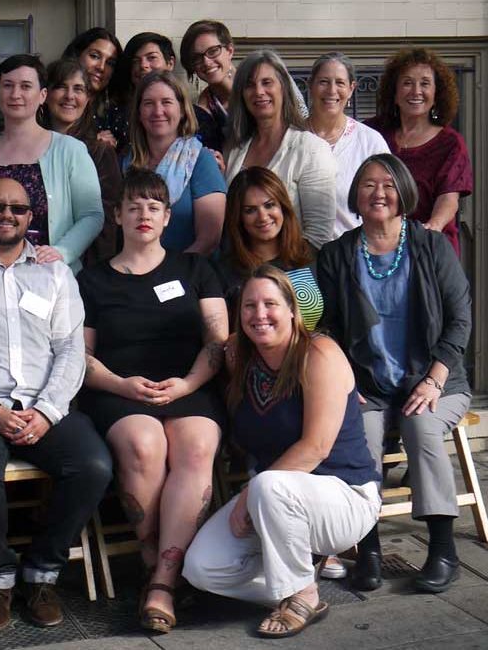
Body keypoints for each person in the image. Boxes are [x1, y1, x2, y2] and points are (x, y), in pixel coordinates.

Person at [0, 176, 113, 632]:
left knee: (93, 466)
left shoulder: (55, 273)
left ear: (31, 218)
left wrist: (48, 411)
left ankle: (42, 571)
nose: (6, 215)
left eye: (17, 208)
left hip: (43, 404)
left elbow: (71, 351)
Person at [183, 266, 381, 639]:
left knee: (267, 484)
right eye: (249, 306)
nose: (259, 314)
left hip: (345, 495)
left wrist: (245, 498)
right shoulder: (240, 359)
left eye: (270, 304)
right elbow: (216, 349)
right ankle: (296, 581)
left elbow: (315, 448)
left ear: (293, 309)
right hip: (275, 501)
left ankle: (300, 592)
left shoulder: (319, 352)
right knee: (202, 568)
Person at [77, 170, 227, 632]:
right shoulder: (91, 280)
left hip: (189, 386)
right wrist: (123, 385)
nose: (144, 214)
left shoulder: (195, 269)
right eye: (134, 206)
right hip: (119, 391)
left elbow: (218, 342)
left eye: (154, 207)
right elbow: (79, 357)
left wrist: (187, 383)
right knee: (145, 443)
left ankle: (161, 578)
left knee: (197, 445)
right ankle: (154, 558)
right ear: (117, 216)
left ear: (166, 218)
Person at [317, 154, 472, 594]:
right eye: (368, 184)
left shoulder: (431, 245)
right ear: (356, 195)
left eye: (387, 184)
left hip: (437, 379)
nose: (378, 193)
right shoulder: (334, 254)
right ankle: (366, 549)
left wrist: (435, 377)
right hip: (367, 385)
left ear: (403, 191)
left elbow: (461, 317)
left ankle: (444, 551)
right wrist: (343, 379)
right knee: (357, 441)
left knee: (422, 427)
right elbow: (319, 325)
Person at [0, 54, 103, 273]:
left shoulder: (70, 150)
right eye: (7, 85)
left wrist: (63, 251)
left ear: (42, 95)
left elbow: (92, 215)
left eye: (25, 86)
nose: (15, 94)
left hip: (48, 278)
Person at [225, 49, 338, 251]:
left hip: (294, 275)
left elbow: (318, 235)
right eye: (250, 85)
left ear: (283, 88)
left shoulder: (311, 149)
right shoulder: (234, 150)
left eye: (267, 83)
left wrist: (273, 277)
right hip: (240, 270)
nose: (259, 92)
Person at [366, 47, 472, 256]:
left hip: (429, 248)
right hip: (378, 248)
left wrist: (432, 228)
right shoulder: (371, 133)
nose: (416, 91)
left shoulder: (450, 143)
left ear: (436, 94)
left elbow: (448, 199)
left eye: (424, 83)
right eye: (407, 83)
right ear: (394, 93)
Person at [125, 70, 226, 256]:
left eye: (166, 102)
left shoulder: (201, 161)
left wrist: (168, 272)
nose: (157, 111)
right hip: (135, 271)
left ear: (182, 110)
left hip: (190, 271)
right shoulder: (126, 163)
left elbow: (209, 239)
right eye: (148, 103)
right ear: (139, 112)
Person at [41, 58, 122, 263]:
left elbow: (107, 223)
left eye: (78, 89)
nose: (69, 96)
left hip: (82, 268)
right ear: (45, 94)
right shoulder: (29, 147)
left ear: (88, 99)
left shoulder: (99, 151)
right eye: (61, 87)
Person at [221, 167, 322, 332]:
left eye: (269, 205)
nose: (262, 216)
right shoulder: (225, 271)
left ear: (283, 207)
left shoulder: (310, 255)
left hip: (314, 352)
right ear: (238, 217)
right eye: (250, 210)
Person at [306, 53, 390, 239]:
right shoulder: (293, 138)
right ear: (311, 86)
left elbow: (390, 203)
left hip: (353, 256)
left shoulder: (370, 142)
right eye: (323, 82)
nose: (331, 90)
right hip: (300, 259)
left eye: (340, 83)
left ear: (352, 88)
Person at [107, 32, 176, 152]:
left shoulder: (187, 109)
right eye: (135, 61)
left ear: (170, 63)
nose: (143, 65)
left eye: (152, 58)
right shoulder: (115, 112)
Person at [61, 28, 125, 149]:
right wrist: (89, 143)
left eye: (110, 63)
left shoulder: (117, 112)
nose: (101, 67)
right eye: (95, 56)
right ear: (77, 54)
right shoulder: (53, 97)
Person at [179, 20, 235, 154]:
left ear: (229, 51)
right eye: (197, 57)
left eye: (213, 51)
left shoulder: (257, 84)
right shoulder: (203, 108)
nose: (206, 62)